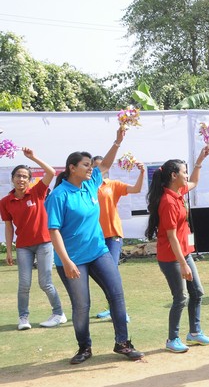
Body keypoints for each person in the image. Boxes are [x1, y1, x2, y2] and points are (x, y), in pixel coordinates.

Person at [45, 128, 144, 364]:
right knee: (82, 305)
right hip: (72, 260)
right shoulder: (59, 195)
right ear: (72, 168)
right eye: (86, 165)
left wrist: (117, 142)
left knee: (116, 295)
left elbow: (106, 165)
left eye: (91, 165)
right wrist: (67, 262)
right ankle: (84, 348)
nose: (91, 169)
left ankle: (122, 343)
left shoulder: (90, 185)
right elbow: (53, 231)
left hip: (99, 252)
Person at [145, 146, 209, 353]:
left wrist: (199, 161)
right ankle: (172, 339)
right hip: (172, 258)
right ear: (173, 175)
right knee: (181, 298)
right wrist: (183, 264)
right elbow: (172, 237)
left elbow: (194, 181)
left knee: (197, 292)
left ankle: (194, 333)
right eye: (184, 172)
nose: (186, 176)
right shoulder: (168, 201)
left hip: (184, 254)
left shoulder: (178, 192)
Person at [1, 148, 67, 330]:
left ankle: (58, 313)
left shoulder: (37, 192)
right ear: (12, 179)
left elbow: (51, 172)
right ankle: (23, 318)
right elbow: (8, 227)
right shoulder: (5, 202)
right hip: (23, 247)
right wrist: (9, 251)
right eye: (18, 176)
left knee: (45, 282)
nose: (21, 179)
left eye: (25, 176)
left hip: (44, 243)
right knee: (24, 284)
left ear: (30, 180)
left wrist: (33, 157)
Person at [92, 155, 145, 319]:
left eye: (103, 166)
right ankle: (112, 307)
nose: (100, 169)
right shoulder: (87, 187)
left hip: (113, 234)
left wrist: (142, 172)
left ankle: (120, 311)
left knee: (112, 272)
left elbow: (136, 189)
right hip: (95, 236)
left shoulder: (113, 185)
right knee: (102, 274)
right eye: (96, 167)